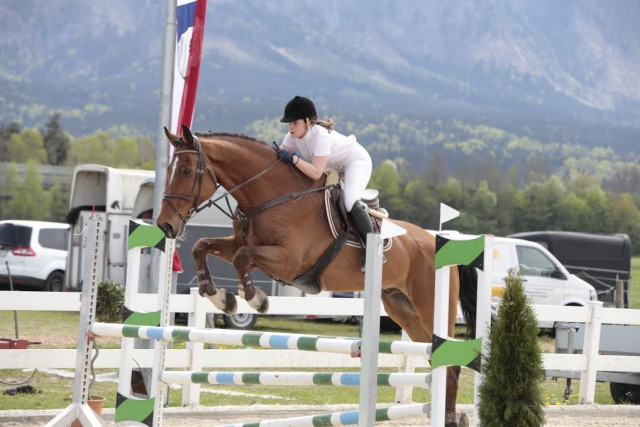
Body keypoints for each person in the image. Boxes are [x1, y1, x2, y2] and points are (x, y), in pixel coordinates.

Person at [276, 96, 375, 264]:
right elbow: (278, 157)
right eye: (289, 123)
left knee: (350, 201)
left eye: (294, 123)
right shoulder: (292, 135)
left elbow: (315, 173)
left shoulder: (321, 136)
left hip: (356, 162)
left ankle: (372, 248)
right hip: (334, 168)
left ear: (308, 122)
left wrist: (294, 160)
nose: (290, 127)